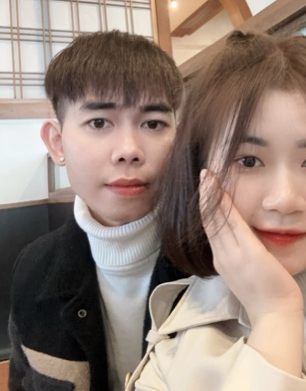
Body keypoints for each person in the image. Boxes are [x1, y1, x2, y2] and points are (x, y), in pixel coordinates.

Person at [127, 31, 306, 390]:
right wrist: (275, 316)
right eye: (249, 161)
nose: (284, 199)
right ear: (198, 172)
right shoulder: (169, 360)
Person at [8, 30, 185, 390]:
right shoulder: (33, 267)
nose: (129, 150)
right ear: (57, 143)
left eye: (153, 123)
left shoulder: (216, 264)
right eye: (99, 122)